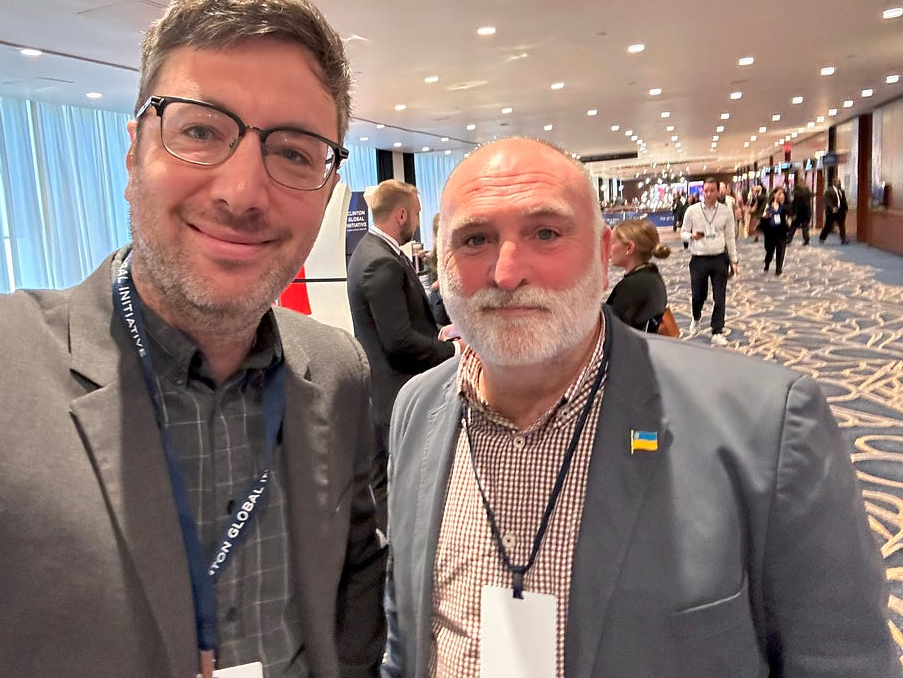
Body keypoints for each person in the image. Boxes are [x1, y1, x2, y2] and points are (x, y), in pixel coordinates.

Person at [0, 0, 386, 678]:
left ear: (327, 192)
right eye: (202, 131)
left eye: (295, 152)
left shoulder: (336, 371)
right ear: (133, 152)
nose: (241, 192)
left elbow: (355, 583)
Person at [381, 137, 895, 678]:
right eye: (476, 239)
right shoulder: (418, 409)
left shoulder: (769, 426)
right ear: (440, 264)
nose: (507, 273)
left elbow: (841, 658)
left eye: (546, 233)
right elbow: (409, 633)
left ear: (605, 257)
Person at [347, 180, 457, 529]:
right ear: (402, 214)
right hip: (396, 394)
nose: (418, 222)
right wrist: (450, 350)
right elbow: (398, 341)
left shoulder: (372, 252)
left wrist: (437, 332)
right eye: (417, 214)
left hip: (387, 392)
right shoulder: (381, 263)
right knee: (398, 483)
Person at [680, 178, 738, 346]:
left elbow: (730, 237)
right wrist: (691, 236)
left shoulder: (726, 212)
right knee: (698, 295)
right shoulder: (692, 211)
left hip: (719, 258)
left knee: (720, 296)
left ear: (718, 191)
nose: (709, 194)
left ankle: (717, 330)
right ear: (702, 192)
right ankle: (696, 317)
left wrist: (734, 259)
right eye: (706, 190)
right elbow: (683, 232)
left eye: (712, 190)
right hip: (699, 258)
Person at [605, 218, 671, 331]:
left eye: (612, 242)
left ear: (629, 247)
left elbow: (609, 331)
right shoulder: (651, 276)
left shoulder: (632, 287)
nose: (608, 248)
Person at [761, 186, 790, 275]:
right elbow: (763, 215)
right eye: (779, 194)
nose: (782, 196)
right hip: (770, 232)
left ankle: (778, 269)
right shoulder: (769, 205)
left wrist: (789, 221)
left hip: (781, 232)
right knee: (770, 250)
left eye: (783, 194)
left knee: (781, 250)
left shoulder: (785, 206)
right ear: (774, 195)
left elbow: (789, 217)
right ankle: (767, 263)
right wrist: (766, 217)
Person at [820, 177, 850, 244]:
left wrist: (846, 208)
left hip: (840, 211)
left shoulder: (841, 191)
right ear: (834, 183)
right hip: (832, 212)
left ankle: (843, 239)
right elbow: (827, 201)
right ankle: (822, 237)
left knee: (842, 225)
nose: (839, 183)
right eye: (837, 182)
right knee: (828, 225)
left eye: (839, 182)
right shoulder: (829, 191)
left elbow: (844, 200)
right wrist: (832, 208)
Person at [787, 175, 812, 245]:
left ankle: (788, 239)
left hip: (798, 212)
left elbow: (795, 203)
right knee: (805, 226)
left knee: (793, 226)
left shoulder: (796, 192)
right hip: (806, 212)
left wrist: (793, 213)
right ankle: (806, 240)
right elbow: (809, 202)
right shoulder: (807, 191)